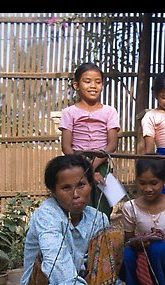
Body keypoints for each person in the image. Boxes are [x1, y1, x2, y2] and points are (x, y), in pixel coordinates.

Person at [19, 154, 124, 285]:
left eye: (81, 185)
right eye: (66, 188)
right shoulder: (47, 215)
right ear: (52, 191)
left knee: (111, 237)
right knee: (47, 259)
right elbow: (56, 259)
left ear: (91, 185)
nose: (75, 194)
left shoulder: (97, 218)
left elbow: (108, 267)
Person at [59, 62, 120, 218]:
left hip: (102, 162)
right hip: (76, 162)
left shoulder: (109, 111)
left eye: (98, 82)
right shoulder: (69, 112)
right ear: (76, 85)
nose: (93, 86)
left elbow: (112, 144)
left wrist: (92, 168)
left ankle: (102, 237)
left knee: (106, 204)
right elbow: (66, 147)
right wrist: (83, 167)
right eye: (87, 81)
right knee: (80, 204)